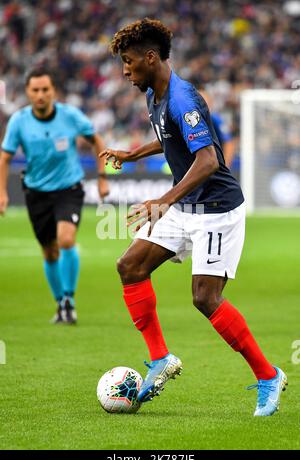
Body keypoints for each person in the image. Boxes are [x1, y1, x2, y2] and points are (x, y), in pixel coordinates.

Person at [100, 18, 287, 416]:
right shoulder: (157, 93)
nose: (125, 72)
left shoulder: (183, 98)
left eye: (130, 63)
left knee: (205, 298)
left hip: (216, 210)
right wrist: (133, 154)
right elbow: (170, 138)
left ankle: (268, 374)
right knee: (130, 266)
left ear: (151, 58)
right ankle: (160, 359)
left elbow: (208, 160)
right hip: (186, 206)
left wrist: (164, 200)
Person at [0, 67, 109, 324]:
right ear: (27, 92)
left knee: (66, 239)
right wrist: (2, 192)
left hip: (68, 188)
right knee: (49, 251)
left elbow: (98, 141)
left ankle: (70, 299)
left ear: (53, 92)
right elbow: (5, 158)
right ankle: (60, 303)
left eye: (45, 90)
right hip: (36, 192)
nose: (40, 95)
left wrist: (103, 178)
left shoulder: (70, 116)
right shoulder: (19, 121)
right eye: (35, 90)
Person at [199, 89, 236, 168]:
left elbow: (229, 143)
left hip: (214, 167)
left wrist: (225, 166)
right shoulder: (189, 121)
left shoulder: (216, 119)